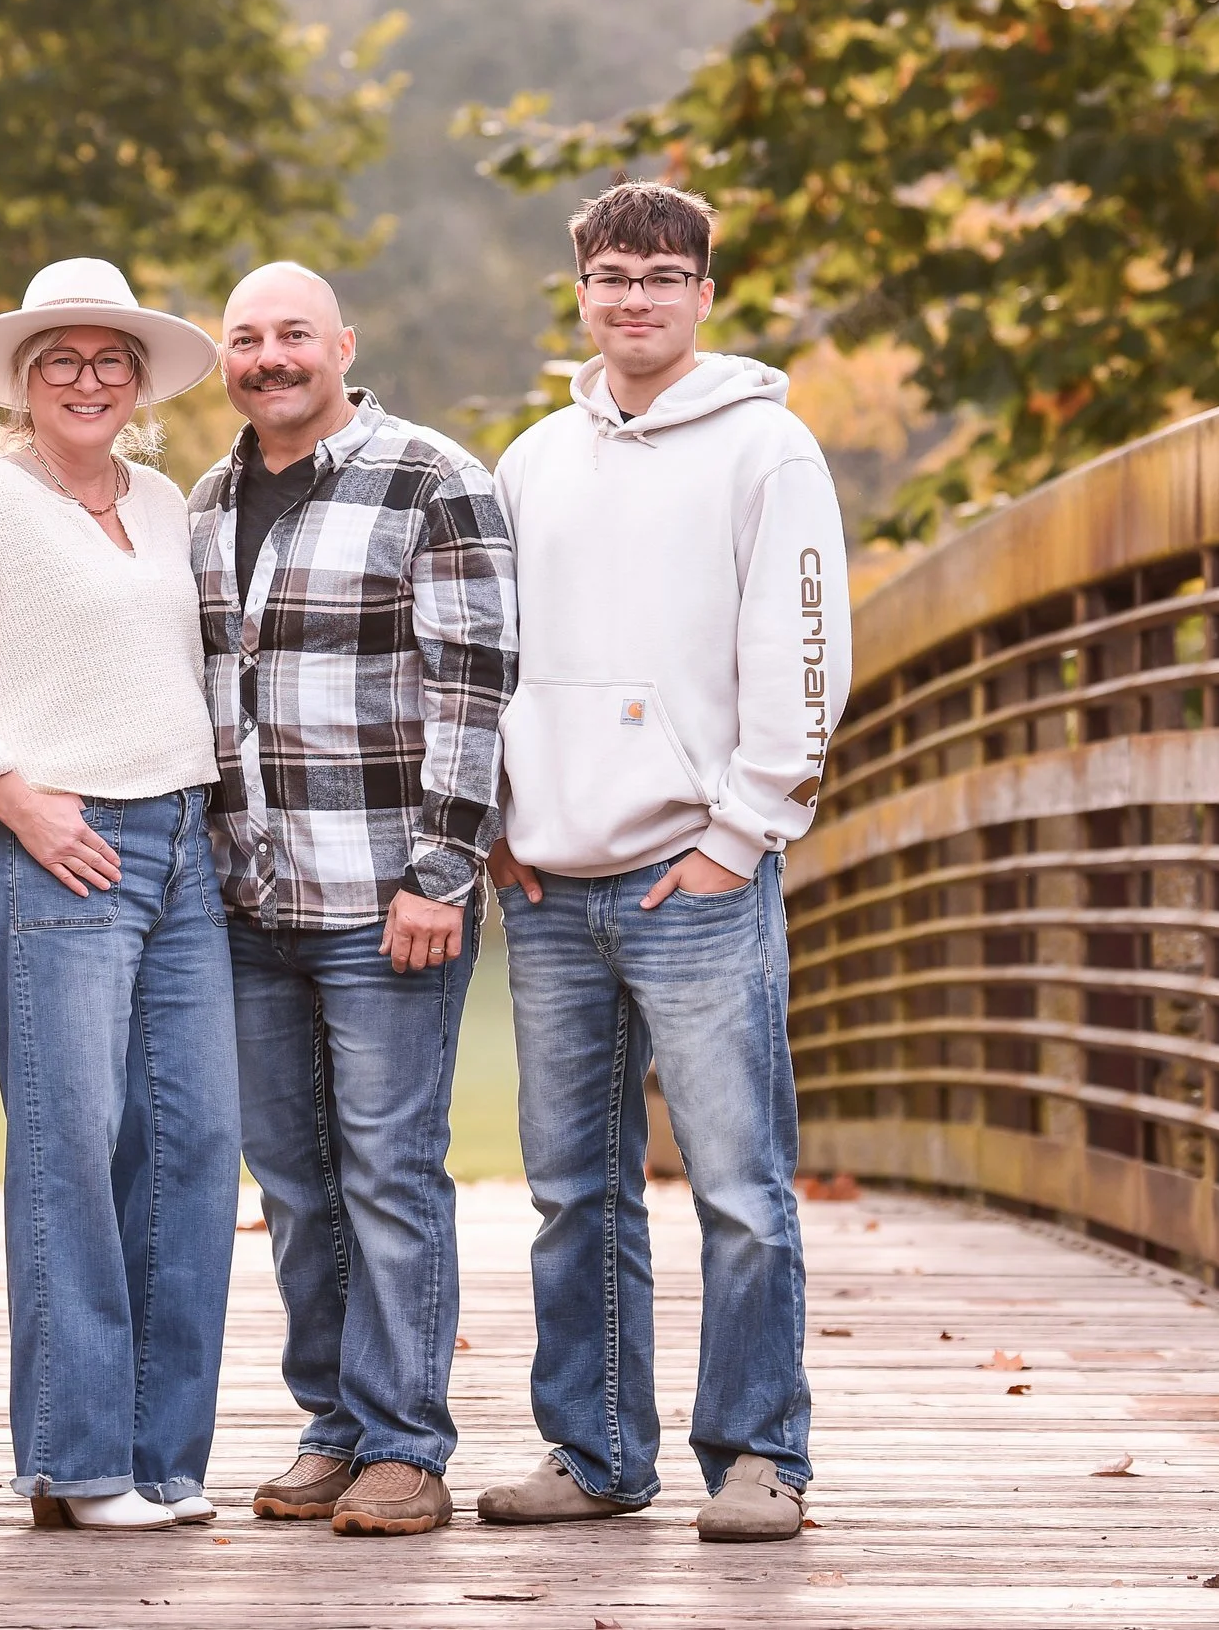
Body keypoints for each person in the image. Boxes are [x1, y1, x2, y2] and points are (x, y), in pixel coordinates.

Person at [475, 180, 850, 1543]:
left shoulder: (769, 449)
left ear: (704, 293)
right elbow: (491, 657)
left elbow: (805, 659)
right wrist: (501, 825)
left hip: (699, 877)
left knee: (741, 1186)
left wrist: (741, 832)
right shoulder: (530, 459)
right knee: (574, 1189)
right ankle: (594, 1450)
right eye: (611, 275)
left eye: (661, 275)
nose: (634, 297)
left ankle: (759, 1455)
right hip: (556, 884)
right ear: (579, 290)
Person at [0, 257, 239, 1533]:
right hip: (61, 848)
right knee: (71, 1150)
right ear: (25, 383)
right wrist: (11, 795)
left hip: (185, 846)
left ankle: (163, 1457)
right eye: (61, 361)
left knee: (190, 1146)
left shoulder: (163, 498)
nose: (88, 380)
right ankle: (78, 1463)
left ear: (138, 383)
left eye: (110, 360)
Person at [186, 262, 516, 1537]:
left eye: (293, 335)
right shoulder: (208, 500)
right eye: (246, 338)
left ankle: (406, 1445)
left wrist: (441, 869)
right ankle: (333, 1423)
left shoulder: (435, 479)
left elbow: (474, 688)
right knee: (297, 1179)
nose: (269, 357)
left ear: (343, 344)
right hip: (249, 901)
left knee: (386, 1168)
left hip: (389, 896)